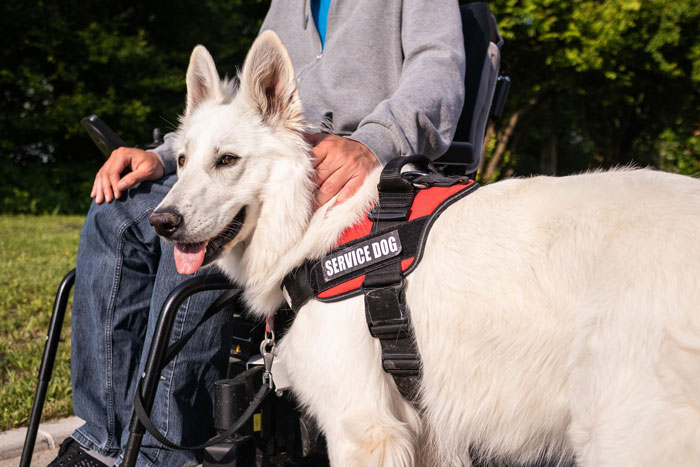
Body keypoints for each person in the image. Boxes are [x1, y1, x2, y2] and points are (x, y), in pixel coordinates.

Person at [51, 1, 465, 465]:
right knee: (115, 214)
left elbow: (439, 70)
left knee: (199, 240)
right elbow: (242, 111)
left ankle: (159, 454)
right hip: (263, 152)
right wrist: (166, 155)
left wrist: (374, 141)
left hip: (345, 166)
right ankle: (104, 443)